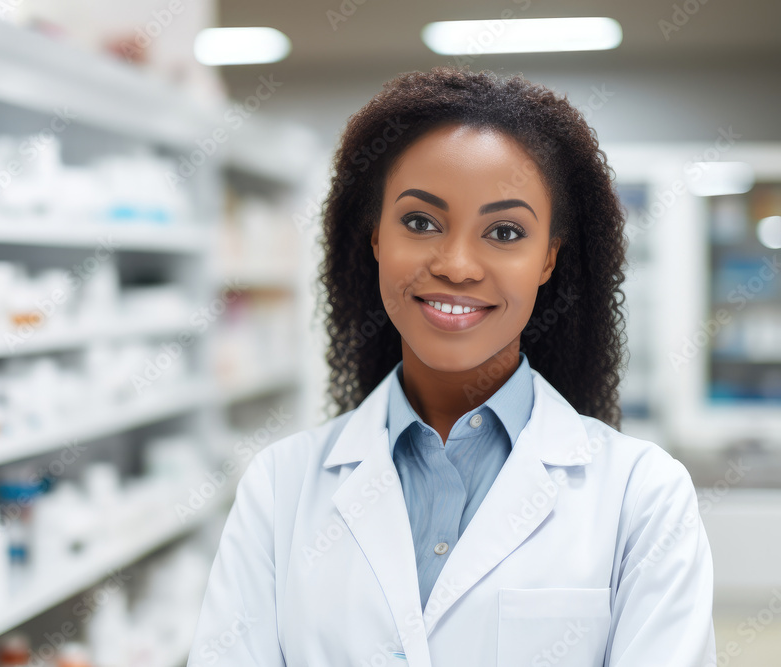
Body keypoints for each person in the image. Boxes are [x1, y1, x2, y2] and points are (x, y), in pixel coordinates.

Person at [186, 65, 716, 667]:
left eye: (506, 231)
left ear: (548, 259)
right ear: (375, 238)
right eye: (420, 222)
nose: (458, 265)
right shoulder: (280, 488)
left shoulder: (643, 498)